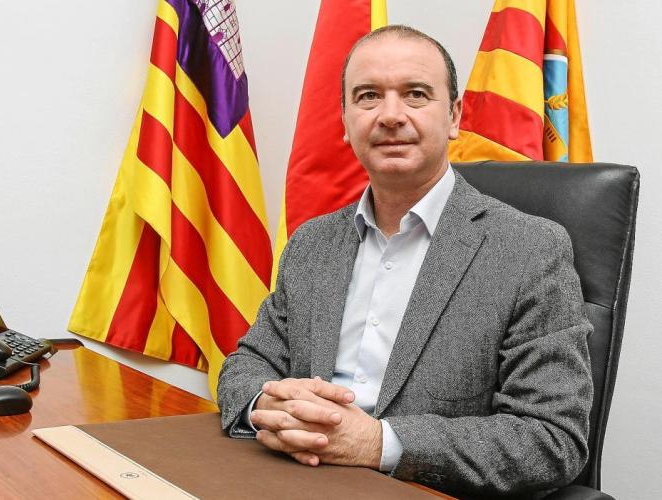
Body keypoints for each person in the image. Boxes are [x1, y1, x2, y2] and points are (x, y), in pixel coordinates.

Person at [217, 25, 592, 499]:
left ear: (454, 116)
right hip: (295, 482)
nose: (390, 116)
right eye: (368, 96)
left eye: (415, 94)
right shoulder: (312, 244)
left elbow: (552, 440)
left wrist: (379, 443)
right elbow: (247, 364)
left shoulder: (530, 249)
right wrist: (267, 407)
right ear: (345, 120)